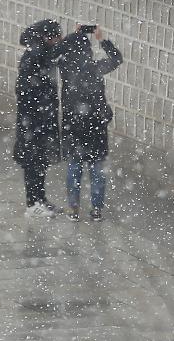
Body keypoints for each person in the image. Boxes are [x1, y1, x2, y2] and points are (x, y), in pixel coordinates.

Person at [55, 25, 123, 221]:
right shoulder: (94, 68)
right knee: (97, 169)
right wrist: (102, 40)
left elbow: (60, 50)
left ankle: (74, 209)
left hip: (73, 125)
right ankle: (96, 210)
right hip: (95, 125)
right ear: (87, 51)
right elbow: (117, 59)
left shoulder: (64, 67)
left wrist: (75, 35)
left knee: (74, 167)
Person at [14, 20, 63, 218]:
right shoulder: (35, 57)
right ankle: (32, 203)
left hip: (41, 119)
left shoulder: (42, 54)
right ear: (46, 37)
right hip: (33, 122)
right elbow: (26, 91)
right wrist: (42, 107)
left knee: (40, 163)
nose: (59, 39)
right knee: (33, 163)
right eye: (56, 36)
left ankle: (40, 199)